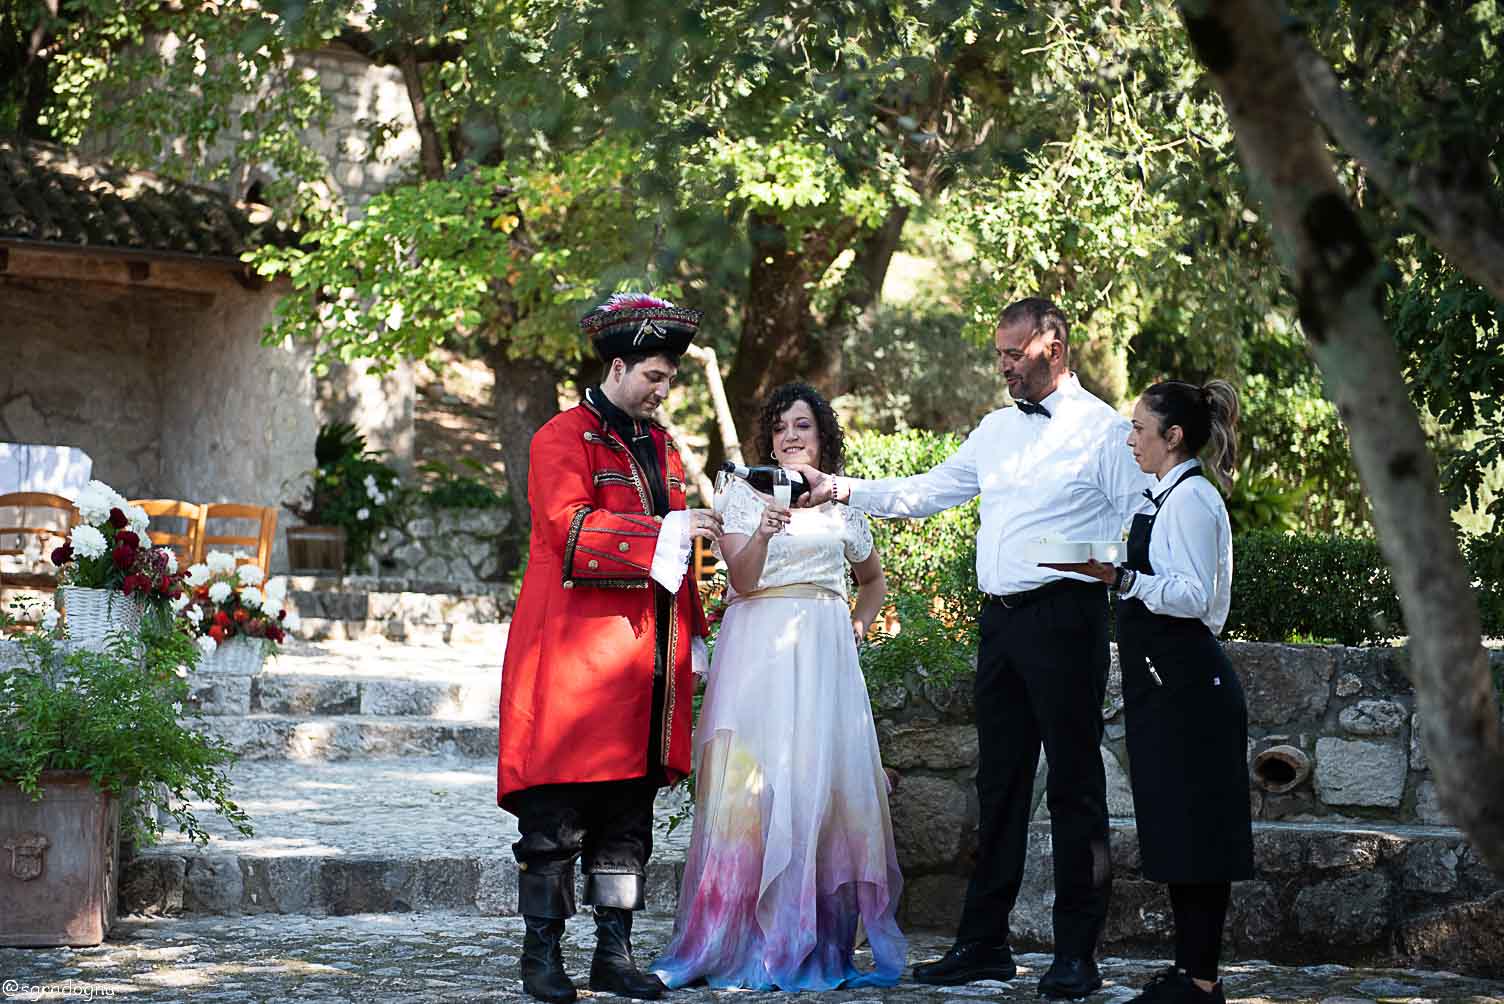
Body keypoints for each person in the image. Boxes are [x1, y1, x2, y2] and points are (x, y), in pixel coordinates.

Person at [794, 297, 1155, 997]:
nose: (1003, 368)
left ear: (1053, 344)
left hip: (1067, 620)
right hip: (1001, 625)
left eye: (1013, 354)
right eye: (998, 355)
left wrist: (1095, 559)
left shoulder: (1105, 432)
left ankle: (1077, 953)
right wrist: (840, 487)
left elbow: (1141, 520)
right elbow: (927, 492)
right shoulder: (994, 430)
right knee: (999, 785)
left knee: (1076, 788)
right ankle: (983, 943)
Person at [497, 292, 723, 1004]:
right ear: (618, 365)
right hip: (571, 659)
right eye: (653, 377)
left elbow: (676, 547)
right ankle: (543, 958)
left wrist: (698, 629)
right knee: (555, 819)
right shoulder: (559, 438)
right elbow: (568, 528)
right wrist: (674, 533)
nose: (662, 391)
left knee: (628, 817)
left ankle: (613, 954)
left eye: (669, 380)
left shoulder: (662, 446)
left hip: (643, 664)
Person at [651, 382, 907, 990]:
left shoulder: (844, 504)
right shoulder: (741, 493)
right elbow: (740, 578)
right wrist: (765, 530)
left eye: (803, 426)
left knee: (820, 782)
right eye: (781, 427)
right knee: (752, 787)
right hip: (758, 650)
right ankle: (736, 934)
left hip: (822, 652)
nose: (791, 436)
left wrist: (859, 624)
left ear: (823, 437)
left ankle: (812, 937)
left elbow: (871, 581)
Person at [1041, 380, 1253, 1004]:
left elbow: (1195, 597)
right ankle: (1191, 972)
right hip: (1170, 685)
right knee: (1178, 831)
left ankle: (1201, 981)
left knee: (1199, 835)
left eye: (1139, 428)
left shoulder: (1190, 500)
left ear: (1173, 437)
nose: (1130, 438)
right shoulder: (1163, 497)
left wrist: (1122, 577)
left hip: (1190, 687)